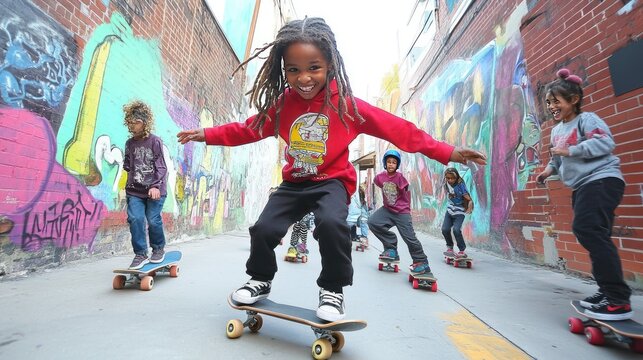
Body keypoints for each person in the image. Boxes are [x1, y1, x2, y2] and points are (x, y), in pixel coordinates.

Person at [176, 17, 486, 321]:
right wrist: (208, 134)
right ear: (284, 70)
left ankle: (333, 290)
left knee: (331, 225)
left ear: (330, 65)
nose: (304, 79)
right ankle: (260, 278)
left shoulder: (347, 105)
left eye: (314, 68)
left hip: (332, 183)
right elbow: (249, 129)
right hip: (295, 182)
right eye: (293, 70)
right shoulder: (283, 105)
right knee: (264, 229)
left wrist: (449, 151)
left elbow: (399, 130)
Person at [535, 68, 631, 321]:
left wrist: (572, 151)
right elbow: (557, 157)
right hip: (583, 186)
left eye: (556, 101)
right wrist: (547, 171)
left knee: (587, 230)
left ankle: (617, 298)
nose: (551, 107)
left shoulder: (587, 120)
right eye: (548, 103)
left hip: (602, 180)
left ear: (574, 100)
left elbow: (605, 143)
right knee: (594, 235)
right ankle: (608, 290)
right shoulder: (556, 131)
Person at [369, 150, 433, 275]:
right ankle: (391, 248)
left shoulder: (400, 178)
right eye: (389, 162)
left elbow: (406, 188)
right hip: (387, 210)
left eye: (394, 162)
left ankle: (421, 262)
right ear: (385, 163)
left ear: (397, 165)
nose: (391, 164)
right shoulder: (380, 177)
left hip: (402, 212)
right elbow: (377, 182)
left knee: (409, 238)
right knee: (373, 222)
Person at [122, 100, 168, 269]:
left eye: (136, 123)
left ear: (144, 123)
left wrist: (155, 185)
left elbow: (161, 166)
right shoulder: (129, 143)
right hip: (135, 191)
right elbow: (128, 165)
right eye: (130, 123)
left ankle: (158, 249)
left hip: (155, 190)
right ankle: (140, 254)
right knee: (135, 218)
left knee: (153, 219)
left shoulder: (154, 141)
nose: (132, 126)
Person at [441, 167, 473, 259]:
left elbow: (468, 198)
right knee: (445, 229)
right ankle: (450, 248)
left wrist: (469, 206)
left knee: (456, 230)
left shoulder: (460, 185)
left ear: (457, 178)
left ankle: (461, 250)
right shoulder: (446, 183)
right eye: (448, 178)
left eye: (452, 178)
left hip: (459, 212)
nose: (450, 180)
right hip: (450, 211)